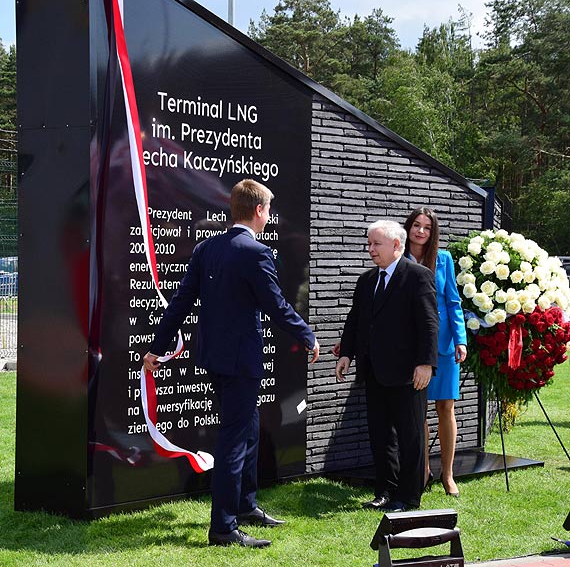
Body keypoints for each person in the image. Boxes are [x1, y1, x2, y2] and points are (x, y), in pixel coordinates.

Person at [143, 179, 320, 548]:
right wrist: (307, 334)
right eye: (268, 209)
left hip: (216, 360)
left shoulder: (208, 248)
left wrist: (157, 349)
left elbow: (180, 303)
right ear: (258, 210)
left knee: (249, 430)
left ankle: (245, 505)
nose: (269, 215)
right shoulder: (255, 252)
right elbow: (276, 305)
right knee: (235, 441)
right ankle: (223, 528)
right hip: (240, 362)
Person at [335, 220, 438, 511]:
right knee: (381, 436)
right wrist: (347, 353)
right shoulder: (367, 280)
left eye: (375, 244)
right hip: (374, 371)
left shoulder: (418, 276)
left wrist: (426, 363)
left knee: (410, 436)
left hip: (409, 373)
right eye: (369, 244)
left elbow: (429, 324)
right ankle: (385, 491)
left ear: (396, 245)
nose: (370, 250)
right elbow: (356, 319)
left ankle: (408, 496)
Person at [403, 207, 467, 497]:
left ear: (433, 232)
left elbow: (453, 301)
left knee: (445, 407)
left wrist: (460, 339)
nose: (420, 231)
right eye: (416, 225)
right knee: (419, 412)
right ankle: (424, 469)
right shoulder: (397, 256)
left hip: (442, 345)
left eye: (427, 227)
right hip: (410, 346)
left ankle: (448, 474)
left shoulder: (443, 259)